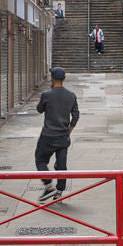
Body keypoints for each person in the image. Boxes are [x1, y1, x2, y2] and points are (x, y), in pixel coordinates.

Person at [35, 66, 80, 202]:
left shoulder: (47, 95)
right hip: (63, 136)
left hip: (48, 135)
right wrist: (69, 130)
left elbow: (39, 109)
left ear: (52, 78)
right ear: (64, 78)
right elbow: (76, 115)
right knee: (61, 164)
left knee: (41, 159)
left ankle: (48, 186)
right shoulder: (71, 95)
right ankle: (59, 191)